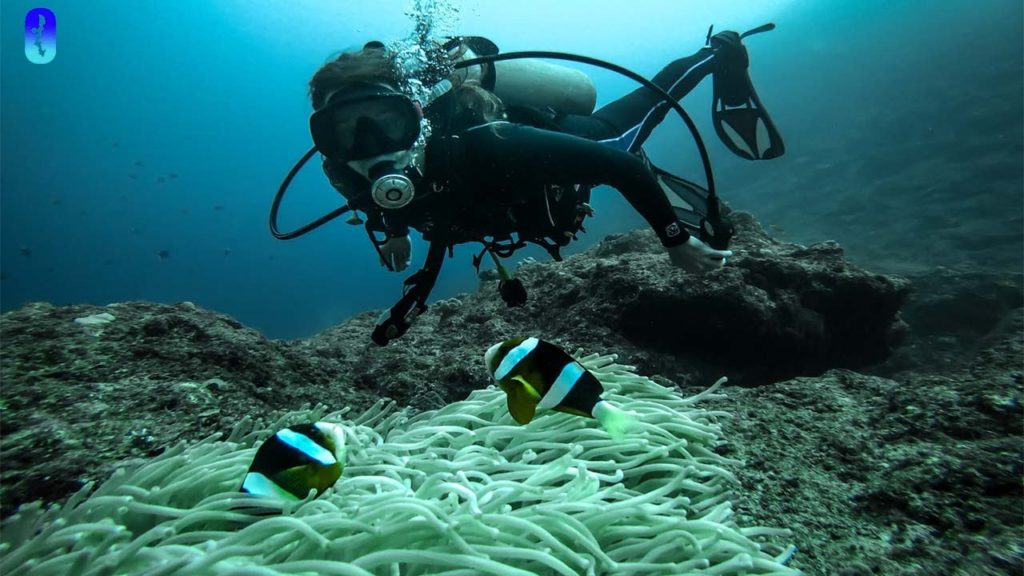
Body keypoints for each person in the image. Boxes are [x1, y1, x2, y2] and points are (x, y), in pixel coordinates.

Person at [295, 27, 784, 344]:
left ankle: (718, 53)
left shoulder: (489, 144)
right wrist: (392, 231)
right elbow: (376, 200)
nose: (370, 145)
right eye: (345, 133)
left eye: (385, 123)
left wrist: (675, 242)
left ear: (416, 115)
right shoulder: (344, 171)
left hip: (554, 153)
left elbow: (620, 167)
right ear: (327, 141)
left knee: (640, 117)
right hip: (514, 205)